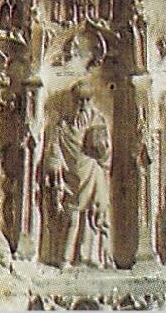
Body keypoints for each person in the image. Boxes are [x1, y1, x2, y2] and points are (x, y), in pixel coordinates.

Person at [42, 85, 113, 267]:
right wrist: (55, 163)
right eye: (79, 101)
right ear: (73, 101)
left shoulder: (98, 121)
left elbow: (106, 152)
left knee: (93, 214)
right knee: (72, 216)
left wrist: (102, 149)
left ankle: (89, 257)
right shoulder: (63, 125)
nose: (83, 105)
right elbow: (54, 149)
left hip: (93, 172)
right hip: (70, 177)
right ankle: (65, 257)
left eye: (87, 100)